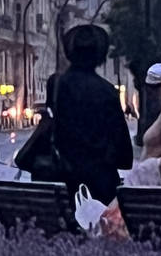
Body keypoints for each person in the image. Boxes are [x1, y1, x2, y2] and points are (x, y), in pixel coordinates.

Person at [52, 25, 134, 204]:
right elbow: (123, 150)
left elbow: (59, 134)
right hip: (103, 182)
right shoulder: (107, 91)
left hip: (70, 180)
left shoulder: (61, 86)